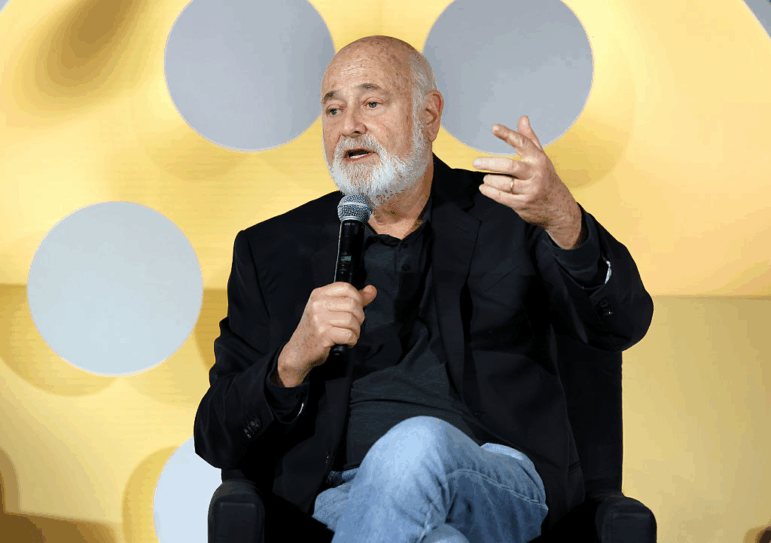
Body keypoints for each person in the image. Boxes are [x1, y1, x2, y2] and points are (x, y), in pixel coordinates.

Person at [194, 35, 653, 543]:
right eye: (333, 110)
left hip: (498, 482)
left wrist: (564, 218)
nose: (349, 126)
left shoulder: (514, 217)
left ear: (429, 116)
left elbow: (623, 323)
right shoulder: (272, 249)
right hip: (343, 499)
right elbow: (215, 436)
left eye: (371, 103)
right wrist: (292, 360)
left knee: (414, 446)